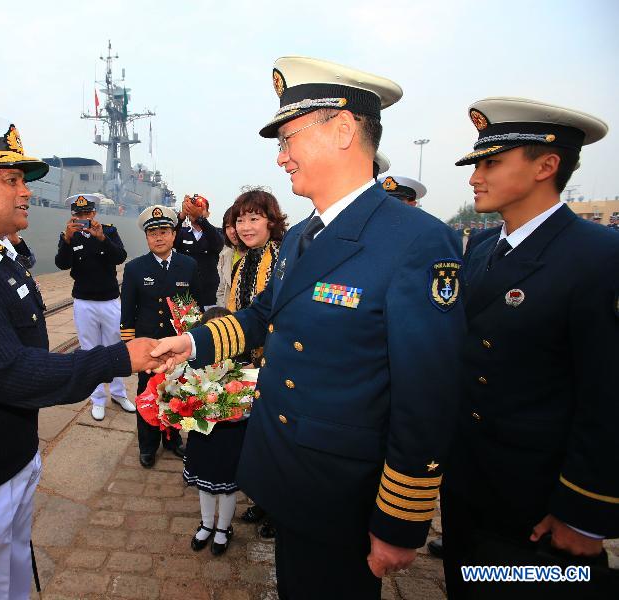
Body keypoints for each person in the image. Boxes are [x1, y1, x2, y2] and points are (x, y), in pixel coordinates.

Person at [151, 56, 464, 599]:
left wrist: (399, 520)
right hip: (289, 470)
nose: (281, 155)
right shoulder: (305, 237)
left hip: (342, 487)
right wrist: (193, 341)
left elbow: (427, 395)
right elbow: (261, 316)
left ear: (343, 130)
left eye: (289, 137)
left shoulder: (415, 240)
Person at [0, 116, 162, 600]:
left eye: (23, 180)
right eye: (12, 180)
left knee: (14, 573)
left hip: (7, 455)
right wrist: (119, 358)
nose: (25, 192)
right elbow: (11, 372)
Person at [442, 97, 619, 598]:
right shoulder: (481, 248)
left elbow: (608, 398)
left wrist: (584, 516)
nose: (475, 176)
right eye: (476, 163)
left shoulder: (600, 257)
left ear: (547, 165)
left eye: (491, 162)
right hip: (471, 482)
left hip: (540, 503)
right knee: (468, 584)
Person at [226, 188, 288, 540]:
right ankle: (263, 499)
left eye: (254, 218)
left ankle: (278, 508)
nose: (246, 226)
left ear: (270, 221)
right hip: (245, 360)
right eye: (241, 219)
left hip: (273, 362)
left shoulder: (280, 258)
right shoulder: (244, 259)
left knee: (275, 438)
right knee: (257, 437)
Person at [120, 205, 198, 468]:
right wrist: (129, 348)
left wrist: (192, 338)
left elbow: (193, 306)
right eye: (153, 233)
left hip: (177, 346)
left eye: (164, 231)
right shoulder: (134, 269)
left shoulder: (188, 266)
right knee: (147, 395)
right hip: (149, 347)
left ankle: (173, 439)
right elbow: (127, 311)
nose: (159, 237)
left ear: (174, 234)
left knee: (175, 393)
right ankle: (148, 445)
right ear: (147, 237)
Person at [55, 194, 134, 421]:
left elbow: (120, 257)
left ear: (94, 214)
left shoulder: (108, 231)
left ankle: (118, 393)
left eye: (87, 214)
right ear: (73, 216)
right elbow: (62, 263)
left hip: (109, 301)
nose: (83, 218)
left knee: (116, 348)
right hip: (83, 302)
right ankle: (97, 399)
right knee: (90, 351)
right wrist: (67, 241)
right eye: (78, 215)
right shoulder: (69, 236)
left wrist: (102, 239)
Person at [184, 305, 245, 556]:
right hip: (203, 435)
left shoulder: (242, 365)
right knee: (205, 484)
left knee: (227, 485)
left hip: (231, 435)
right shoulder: (194, 364)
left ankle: (223, 528)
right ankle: (207, 524)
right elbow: (185, 405)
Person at [174, 194, 223, 307]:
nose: (195, 210)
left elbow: (218, 244)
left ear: (208, 213)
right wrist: (181, 216)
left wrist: (200, 219)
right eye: (193, 206)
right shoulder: (182, 232)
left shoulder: (216, 233)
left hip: (210, 297)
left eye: (200, 207)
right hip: (185, 297)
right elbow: (170, 238)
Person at [214, 205, 242, 309]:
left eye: (235, 225)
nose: (232, 231)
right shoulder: (225, 255)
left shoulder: (260, 256)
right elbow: (221, 290)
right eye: (227, 227)